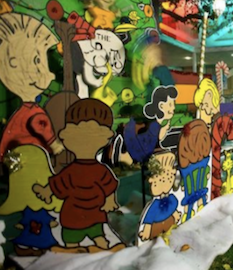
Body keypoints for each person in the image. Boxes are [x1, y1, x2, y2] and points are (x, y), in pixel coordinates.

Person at [32, 99, 124, 253]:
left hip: (95, 215)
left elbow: (110, 186)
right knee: (71, 239)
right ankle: (75, 251)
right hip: (72, 217)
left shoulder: (100, 170)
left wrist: (110, 201)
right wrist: (46, 191)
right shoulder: (71, 171)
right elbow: (57, 184)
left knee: (98, 236)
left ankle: (102, 248)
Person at [0, 13, 65, 163]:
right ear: (12, 63)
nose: (50, 75)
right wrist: (54, 144)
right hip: (24, 158)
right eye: (37, 60)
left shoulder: (25, 112)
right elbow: (39, 124)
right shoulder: (31, 111)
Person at [138, 151, 181, 243]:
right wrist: (146, 231)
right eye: (159, 181)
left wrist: (175, 214)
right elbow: (149, 218)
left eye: (167, 180)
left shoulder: (171, 199)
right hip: (156, 226)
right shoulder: (155, 205)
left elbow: (173, 208)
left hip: (169, 223)